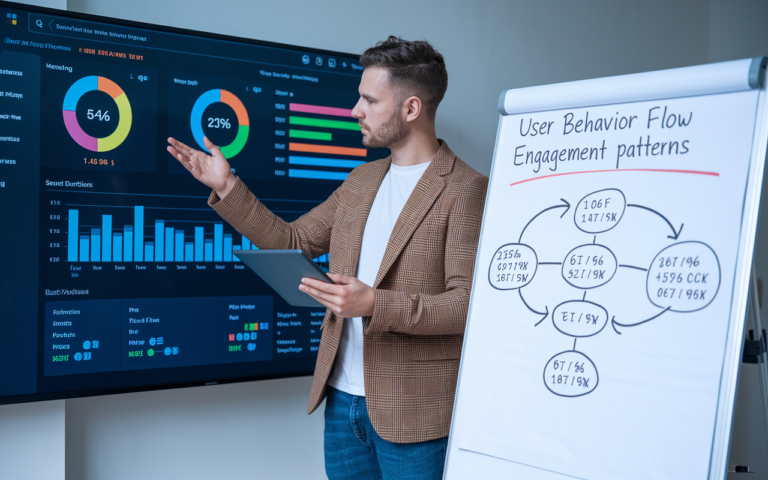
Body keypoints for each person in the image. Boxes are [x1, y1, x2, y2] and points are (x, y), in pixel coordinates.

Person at [168, 36, 488, 480]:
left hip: (415, 416)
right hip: (341, 405)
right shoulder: (360, 180)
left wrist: (374, 304)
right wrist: (227, 187)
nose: (355, 109)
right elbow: (292, 238)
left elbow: (467, 304)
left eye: (369, 100)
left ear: (411, 109)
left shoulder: (466, 189)